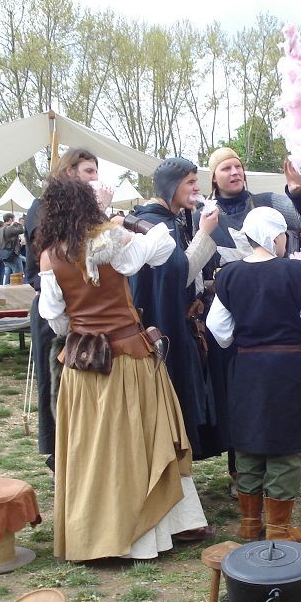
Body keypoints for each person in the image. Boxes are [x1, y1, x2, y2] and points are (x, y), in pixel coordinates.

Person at [36, 169, 208, 560]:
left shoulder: (50, 255)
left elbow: (57, 321)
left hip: (84, 365)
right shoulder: (112, 240)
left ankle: (94, 534)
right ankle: (150, 533)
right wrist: (126, 223)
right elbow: (164, 246)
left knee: (93, 452)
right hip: (128, 359)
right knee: (138, 444)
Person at [200, 147, 301, 495]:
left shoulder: (266, 202)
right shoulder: (203, 213)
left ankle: (263, 480)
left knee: (272, 401)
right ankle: (240, 472)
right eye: (226, 168)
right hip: (231, 311)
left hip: (272, 309)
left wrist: (296, 190)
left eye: (238, 166)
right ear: (214, 177)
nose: (235, 172)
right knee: (240, 401)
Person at [207, 207, 301, 541]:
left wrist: (243, 337)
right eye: (284, 234)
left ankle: (249, 524)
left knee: (249, 442)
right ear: (274, 236)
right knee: (283, 446)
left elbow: (218, 327)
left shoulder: (229, 275)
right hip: (285, 368)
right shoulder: (296, 272)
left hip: (246, 367)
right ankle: (278, 528)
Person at [129, 157, 228, 462]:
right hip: (163, 325)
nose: (197, 188)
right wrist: (204, 234)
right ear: (171, 186)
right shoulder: (151, 223)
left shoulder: (173, 220)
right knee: (170, 397)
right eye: (190, 182)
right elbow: (175, 275)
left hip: (183, 322)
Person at [25, 149, 101, 472]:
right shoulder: (42, 208)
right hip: (53, 308)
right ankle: (59, 456)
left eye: (96, 171)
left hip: (87, 310)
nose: (95, 178)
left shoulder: (85, 208)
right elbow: (54, 254)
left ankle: (83, 458)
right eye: (88, 171)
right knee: (56, 387)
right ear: (70, 171)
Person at [0, 212, 24, 284]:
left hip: (5, 253)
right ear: (10, 219)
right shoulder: (9, 228)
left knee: (8, 273)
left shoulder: (1, 230)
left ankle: (7, 287)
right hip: (12, 253)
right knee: (18, 273)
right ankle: (17, 287)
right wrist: (16, 224)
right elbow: (21, 230)